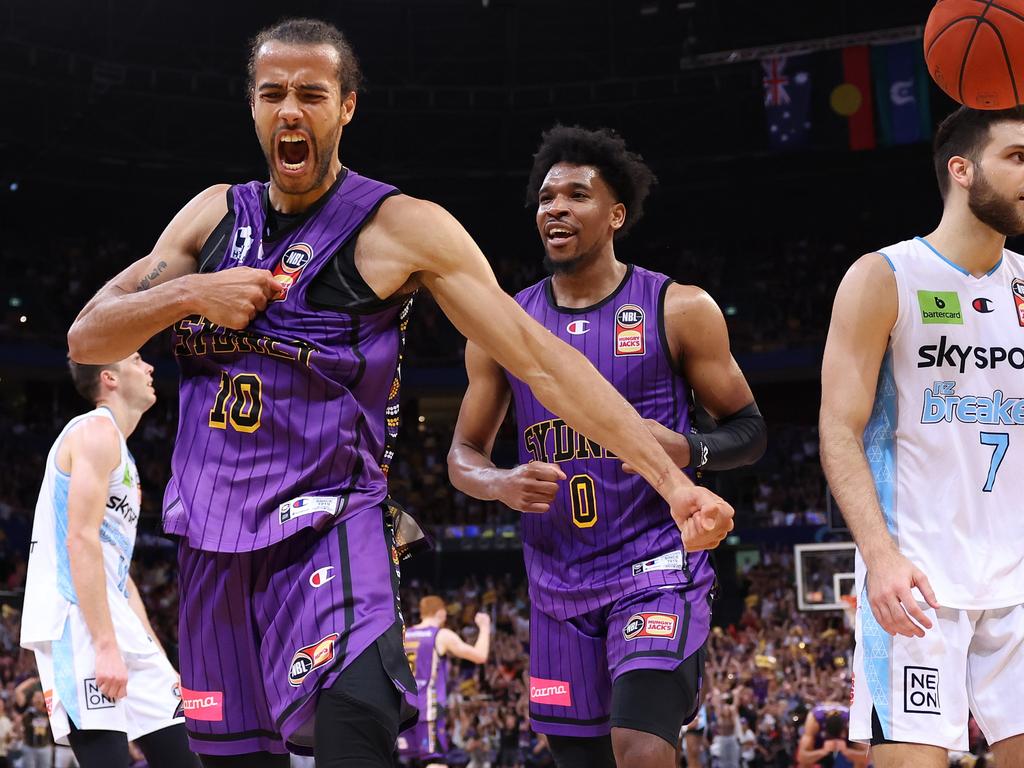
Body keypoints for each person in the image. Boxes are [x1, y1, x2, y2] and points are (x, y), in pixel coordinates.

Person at [66, 19, 734, 768]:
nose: (291, 110)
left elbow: (543, 363)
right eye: (273, 93)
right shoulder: (211, 217)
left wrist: (672, 479)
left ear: (345, 106)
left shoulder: (402, 228)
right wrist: (192, 292)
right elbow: (87, 338)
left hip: (330, 528)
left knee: (357, 729)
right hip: (212, 543)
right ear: (252, 107)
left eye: (311, 94)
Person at [447, 126, 766, 768]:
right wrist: (498, 483)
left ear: (616, 214)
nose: (555, 208)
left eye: (576, 195)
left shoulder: (678, 308)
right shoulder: (502, 324)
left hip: (653, 570)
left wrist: (688, 448)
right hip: (556, 587)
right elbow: (462, 454)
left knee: (641, 748)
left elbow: (750, 431)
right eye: (545, 198)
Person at [820, 105, 1024, 768]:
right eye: (1018, 158)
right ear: (962, 170)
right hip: (917, 582)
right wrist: (878, 557)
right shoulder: (885, 276)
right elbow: (839, 428)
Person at [18, 354, 197, 768]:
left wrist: (154, 651)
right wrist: (104, 646)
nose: (150, 367)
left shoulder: (121, 449)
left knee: (188, 755)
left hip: (116, 619)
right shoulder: (95, 431)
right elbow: (79, 541)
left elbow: (120, 572)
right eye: (136, 359)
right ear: (109, 378)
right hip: (77, 621)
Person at [398, 597, 491, 767]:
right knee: (435, 761)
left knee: (403, 760)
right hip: (428, 709)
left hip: (403, 708)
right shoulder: (440, 635)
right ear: (441, 612)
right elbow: (480, 655)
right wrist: (485, 627)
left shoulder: (405, 635)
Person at [796, 705, 868, 768]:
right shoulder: (814, 721)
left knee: (861, 760)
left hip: (846, 732)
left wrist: (847, 751)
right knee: (804, 763)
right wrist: (823, 751)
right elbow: (801, 757)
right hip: (820, 740)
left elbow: (868, 756)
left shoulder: (852, 721)